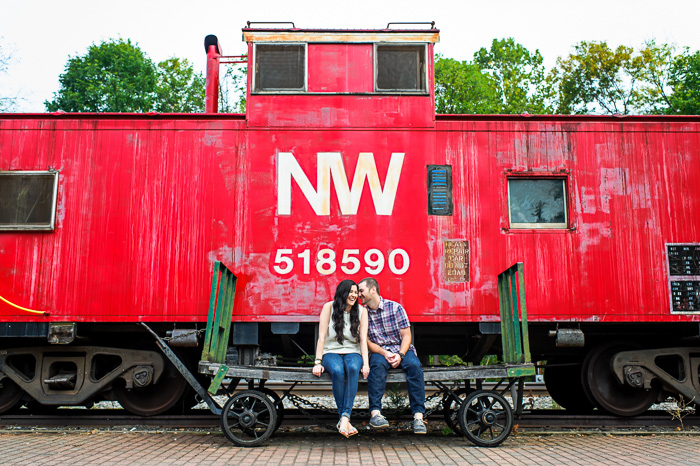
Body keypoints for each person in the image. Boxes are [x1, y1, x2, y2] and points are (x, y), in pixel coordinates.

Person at [358, 277, 427, 434]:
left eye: (361, 290)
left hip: (401, 349)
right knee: (377, 368)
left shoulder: (395, 308)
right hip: (380, 351)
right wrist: (385, 353)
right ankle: (375, 414)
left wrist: (400, 355)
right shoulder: (363, 313)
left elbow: (407, 336)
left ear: (373, 289)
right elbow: (367, 342)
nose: (359, 294)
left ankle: (418, 417)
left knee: (415, 367)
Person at [312, 279, 370, 437]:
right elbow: (322, 337)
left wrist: (365, 364)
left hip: (353, 352)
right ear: (342, 293)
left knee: (352, 368)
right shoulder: (328, 308)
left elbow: (363, 340)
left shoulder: (361, 311)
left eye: (355, 292)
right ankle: (344, 418)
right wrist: (317, 362)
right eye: (350, 292)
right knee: (337, 371)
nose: (353, 295)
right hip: (331, 351)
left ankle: (344, 417)